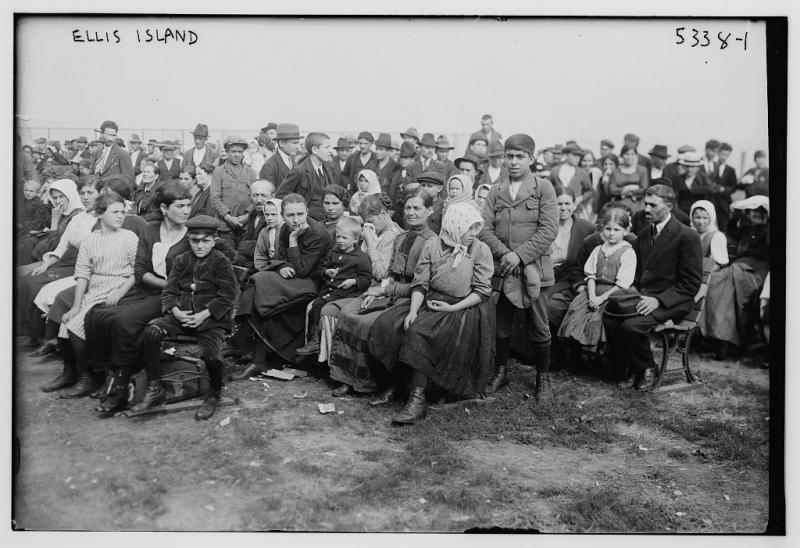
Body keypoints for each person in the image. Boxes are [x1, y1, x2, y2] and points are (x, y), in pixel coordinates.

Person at [381, 202, 495, 425]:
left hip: (464, 306)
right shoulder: (434, 245)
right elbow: (420, 283)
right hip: (431, 299)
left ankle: (418, 399)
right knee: (395, 324)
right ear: (454, 225)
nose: (473, 234)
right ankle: (397, 385)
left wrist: (452, 308)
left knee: (421, 333)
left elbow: (482, 291)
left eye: (475, 228)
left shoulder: (480, 249)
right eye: (468, 228)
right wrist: (413, 310)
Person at [327, 189, 437, 401]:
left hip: (412, 296)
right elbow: (388, 274)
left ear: (430, 211)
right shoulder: (402, 237)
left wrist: (383, 290)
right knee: (350, 312)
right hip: (390, 290)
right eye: (408, 208)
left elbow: (420, 284)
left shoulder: (431, 241)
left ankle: (368, 381)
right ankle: (346, 379)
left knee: (366, 322)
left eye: (417, 208)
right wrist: (375, 291)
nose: (411, 213)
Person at [134, 215, 238, 420]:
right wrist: (175, 311)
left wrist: (204, 314)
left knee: (212, 356)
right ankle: (155, 387)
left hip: (211, 320)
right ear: (189, 239)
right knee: (151, 332)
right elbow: (169, 291)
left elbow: (227, 295)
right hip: (181, 317)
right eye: (194, 240)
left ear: (214, 240)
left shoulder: (221, 262)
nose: (199, 245)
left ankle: (214, 393)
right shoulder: (182, 260)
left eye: (205, 241)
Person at [479, 134, 559, 401]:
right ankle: (501, 372)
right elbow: (484, 229)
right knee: (502, 324)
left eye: (519, 156)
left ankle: (542, 378)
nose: (513, 162)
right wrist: (506, 255)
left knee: (538, 325)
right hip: (503, 269)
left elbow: (549, 229)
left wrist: (521, 256)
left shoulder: (543, 188)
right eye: (509, 156)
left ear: (531, 159)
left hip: (534, 270)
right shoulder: (495, 190)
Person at [603, 184, 702, 389]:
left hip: (674, 301)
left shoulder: (686, 236)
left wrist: (658, 300)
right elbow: (639, 274)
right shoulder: (644, 234)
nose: (646, 209)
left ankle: (648, 368)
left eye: (652, 205)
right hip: (645, 297)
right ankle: (632, 367)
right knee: (611, 319)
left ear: (669, 206)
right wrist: (633, 293)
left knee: (632, 326)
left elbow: (691, 284)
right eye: (645, 204)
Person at [50, 194, 139, 400]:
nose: (120, 216)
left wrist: (120, 291)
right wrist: (76, 305)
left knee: (76, 326)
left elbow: (137, 271)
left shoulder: (129, 237)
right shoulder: (90, 239)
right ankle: (70, 373)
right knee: (65, 323)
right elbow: (82, 274)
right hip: (96, 287)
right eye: (114, 212)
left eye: (122, 212)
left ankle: (91, 377)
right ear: (100, 214)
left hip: (119, 287)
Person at [232, 194, 331, 378]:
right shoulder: (285, 228)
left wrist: (293, 241)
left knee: (260, 282)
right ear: (283, 215)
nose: (296, 220)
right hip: (291, 277)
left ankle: (252, 352)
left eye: (300, 214)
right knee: (257, 283)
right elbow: (279, 258)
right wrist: (283, 265)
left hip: (313, 283)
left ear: (307, 212)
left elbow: (303, 270)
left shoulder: (318, 234)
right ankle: (254, 354)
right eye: (290, 215)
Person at [315, 194, 403, 366]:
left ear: (384, 214)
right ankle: (329, 361)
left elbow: (379, 273)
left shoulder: (393, 236)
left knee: (333, 309)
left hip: (379, 288)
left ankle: (341, 364)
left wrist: (369, 241)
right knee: (323, 305)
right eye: (365, 221)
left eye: (371, 220)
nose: (368, 225)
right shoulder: (375, 229)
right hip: (359, 283)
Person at [699, 196, 769, 358]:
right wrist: (734, 213)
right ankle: (716, 335)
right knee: (714, 282)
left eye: (761, 211)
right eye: (753, 211)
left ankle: (725, 341)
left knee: (727, 287)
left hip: (755, 273)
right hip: (736, 270)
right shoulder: (746, 228)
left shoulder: (768, 232)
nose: (757, 214)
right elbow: (730, 229)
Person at [557, 209, 636, 353]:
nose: (611, 233)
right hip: (593, 291)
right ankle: (575, 354)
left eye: (617, 230)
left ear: (626, 231)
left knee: (597, 320)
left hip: (613, 295)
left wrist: (600, 299)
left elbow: (622, 284)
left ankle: (599, 356)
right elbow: (590, 275)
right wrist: (592, 296)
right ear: (602, 228)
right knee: (576, 312)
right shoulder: (598, 249)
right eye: (608, 229)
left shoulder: (628, 252)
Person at [295, 216, 373, 357]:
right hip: (330, 290)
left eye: (344, 238)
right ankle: (313, 341)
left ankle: (315, 342)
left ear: (355, 239)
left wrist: (354, 281)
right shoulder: (333, 252)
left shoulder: (361, 258)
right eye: (338, 237)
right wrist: (327, 271)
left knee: (318, 305)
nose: (340, 241)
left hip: (348, 294)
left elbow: (366, 279)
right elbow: (321, 269)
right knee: (312, 307)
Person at [543, 188, 597, 340]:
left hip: (570, 279)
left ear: (574, 205)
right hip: (545, 275)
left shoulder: (586, 228)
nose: (563, 208)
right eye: (559, 203)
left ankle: (556, 344)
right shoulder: (545, 225)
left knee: (545, 303)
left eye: (567, 203)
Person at [275, 132, 336, 222]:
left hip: (326, 219)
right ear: (315, 150)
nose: (330, 151)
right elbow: (280, 195)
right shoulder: (299, 171)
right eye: (327, 147)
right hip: (307, 222)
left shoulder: (327, 167)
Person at [210, 135, 258, 248]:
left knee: (243, 255)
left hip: (245, 225)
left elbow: (256, 197)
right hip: (225, 226)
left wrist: (247, 215)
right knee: (227, 255)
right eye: (233, 151)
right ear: (226, 152)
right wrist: (228, 218)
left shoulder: (251, 173)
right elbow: (214, 198)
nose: (237, 154)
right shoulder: (219, 172)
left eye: (240, 152)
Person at [232, 180, 276, 274]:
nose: (259, 200)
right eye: (255, 195)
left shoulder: (275, 217)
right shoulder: (253, 214)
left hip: (266, 265)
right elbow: (248, 239)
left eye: (263, 195)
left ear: (272, 196)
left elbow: (266, 248)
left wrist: (244, 247)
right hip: (249, 261)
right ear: (250, 196)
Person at [549, 143, 593, 215]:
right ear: (566, 155)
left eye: (579, 156)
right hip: (557, 209)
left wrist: (580, 198)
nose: (577, 158)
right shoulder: (555, 170)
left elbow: (590, 191)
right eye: (574, 155)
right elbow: (547, 188)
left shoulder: (582, 172)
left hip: (575, 210)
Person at [92, 120, 135, 188]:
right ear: (102, 134)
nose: (111, 138)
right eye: (108, 135)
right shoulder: (98, 152)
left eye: (113, 135)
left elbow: (129, 181)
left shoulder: (123, 154)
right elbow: (92, 173)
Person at [689, 200, 729, 271]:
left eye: (705, 218)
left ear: (711, 218)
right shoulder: (688, 232)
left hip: (708, 274)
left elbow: (718, 265)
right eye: (697, 217)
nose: (701, 222)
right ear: (691, 217)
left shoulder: (717, 236)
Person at [608, 145, 649, 213]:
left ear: (636, 155)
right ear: (622, 156)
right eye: (627, 154)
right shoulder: (616, 172)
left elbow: (644, 189)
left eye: (632, 154)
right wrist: (627, 188)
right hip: (619, 203)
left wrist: (628, 192)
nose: (629, 157)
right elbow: (612, 190)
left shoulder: (642, 170)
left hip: (638, 203)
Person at [260, 123, 302, 188]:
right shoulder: (269, 166)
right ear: (281, 143)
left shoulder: (294, 161)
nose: (297, 147)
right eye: (294, 143)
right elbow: (267, 193)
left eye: (298, 143)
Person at [709, 142, 738, 231]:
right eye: (722, 154)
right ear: (718, 153)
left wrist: (724, 189)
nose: (724, 157)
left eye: (727, 155)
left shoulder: (730, 170)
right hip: (710, 200)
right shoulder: (710, 166)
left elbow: (734, 186)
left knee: (723, 227)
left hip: (724, 203)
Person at [388, 142, 419, 225]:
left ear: (412, 159)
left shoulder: (416, 172)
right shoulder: (397, 172)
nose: (403, 160)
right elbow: (392, 191)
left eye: (406, 158)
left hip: (410, 207)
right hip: (397, 208)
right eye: (401, 157)